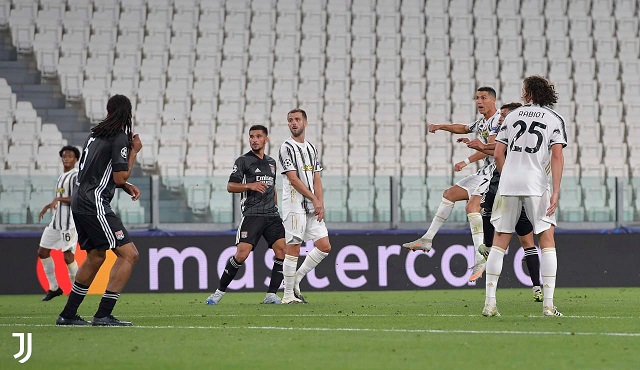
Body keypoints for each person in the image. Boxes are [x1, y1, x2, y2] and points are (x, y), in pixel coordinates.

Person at [483, 75, 567, 317]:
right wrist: (556, 191)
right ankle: (548, 306)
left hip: (509, 182)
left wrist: (506, 175)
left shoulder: (511, 116)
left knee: (499, 240)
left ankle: (490, 304)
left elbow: (499, 153)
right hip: (535, 183)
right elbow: (557, 156)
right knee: (546, 239)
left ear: (529, 93)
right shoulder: (554, 118)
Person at [56, 94, 142, 326]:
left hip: (79, 200)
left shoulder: (94, 135)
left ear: (107, 112)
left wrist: (124, 186)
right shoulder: (120, 137)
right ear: (128, 114)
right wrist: (134, 152)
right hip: (95, 202)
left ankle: (68, 314)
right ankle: (103, 314)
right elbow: (119, 174)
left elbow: (98, 170)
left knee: (95, 256)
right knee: (129, 254)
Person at [402, 87, 500, 281]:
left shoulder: (498, 121)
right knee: (449, 194)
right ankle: (427, 239)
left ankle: (480, 258)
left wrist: (467, 160)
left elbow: (494, 149)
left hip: (495, 174)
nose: (479, 101)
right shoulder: (483, 122)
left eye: (483, 97)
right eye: (476, 98)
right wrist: (441, 126)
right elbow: (463, 128)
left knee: (472, 207)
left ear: (493, 100)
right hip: (483, 173)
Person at [465, 103, 543, 301]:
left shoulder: (509, 135)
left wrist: (482, 147)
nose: (500, 118)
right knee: (527, 241)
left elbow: (497, 150)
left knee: (488, 213)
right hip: (527, 189)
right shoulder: (527, 136)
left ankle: (488, 248)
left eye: (504, 115)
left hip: (506, 186)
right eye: (500, 115)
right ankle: (536, 286)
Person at [206, 125, 286, 305]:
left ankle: (271, 294)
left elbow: (272, 187)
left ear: (266, 139)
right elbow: (230, 186)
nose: (254, 140)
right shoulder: (243, 161)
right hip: (252, 214)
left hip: (272, 215)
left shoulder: (272, 162)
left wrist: (276, 206)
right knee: (241, 255)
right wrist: (250, 186)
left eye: (258, 136)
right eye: (251, 136)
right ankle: (218, 293)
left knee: (282, 251)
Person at [279, 108, 331, 304]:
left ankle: (297, 279)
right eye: (290, 120)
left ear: (305, 123)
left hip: (311, 206)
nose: (293, 123)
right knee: (293, 247)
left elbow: (316, 177)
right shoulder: (286, 147)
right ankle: (287, 296)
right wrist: (314, 199)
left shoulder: (311, 148)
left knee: (324, 246)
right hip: (294, 205)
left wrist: (320, 202)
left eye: (297, 119)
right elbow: (293, 179)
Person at [37, 145, 81, 301]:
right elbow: (60, 200)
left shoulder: (76, 175)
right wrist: (51, 204)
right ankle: (54, 288)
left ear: (76, 159)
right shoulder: (61, 176)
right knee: (43, 252)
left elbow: (76, 198)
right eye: (64, 156)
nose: (66, 158)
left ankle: (77, 291)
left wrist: (57, 199)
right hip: (55, 222)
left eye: (69, 156)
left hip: (68, 224)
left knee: (68, 257)